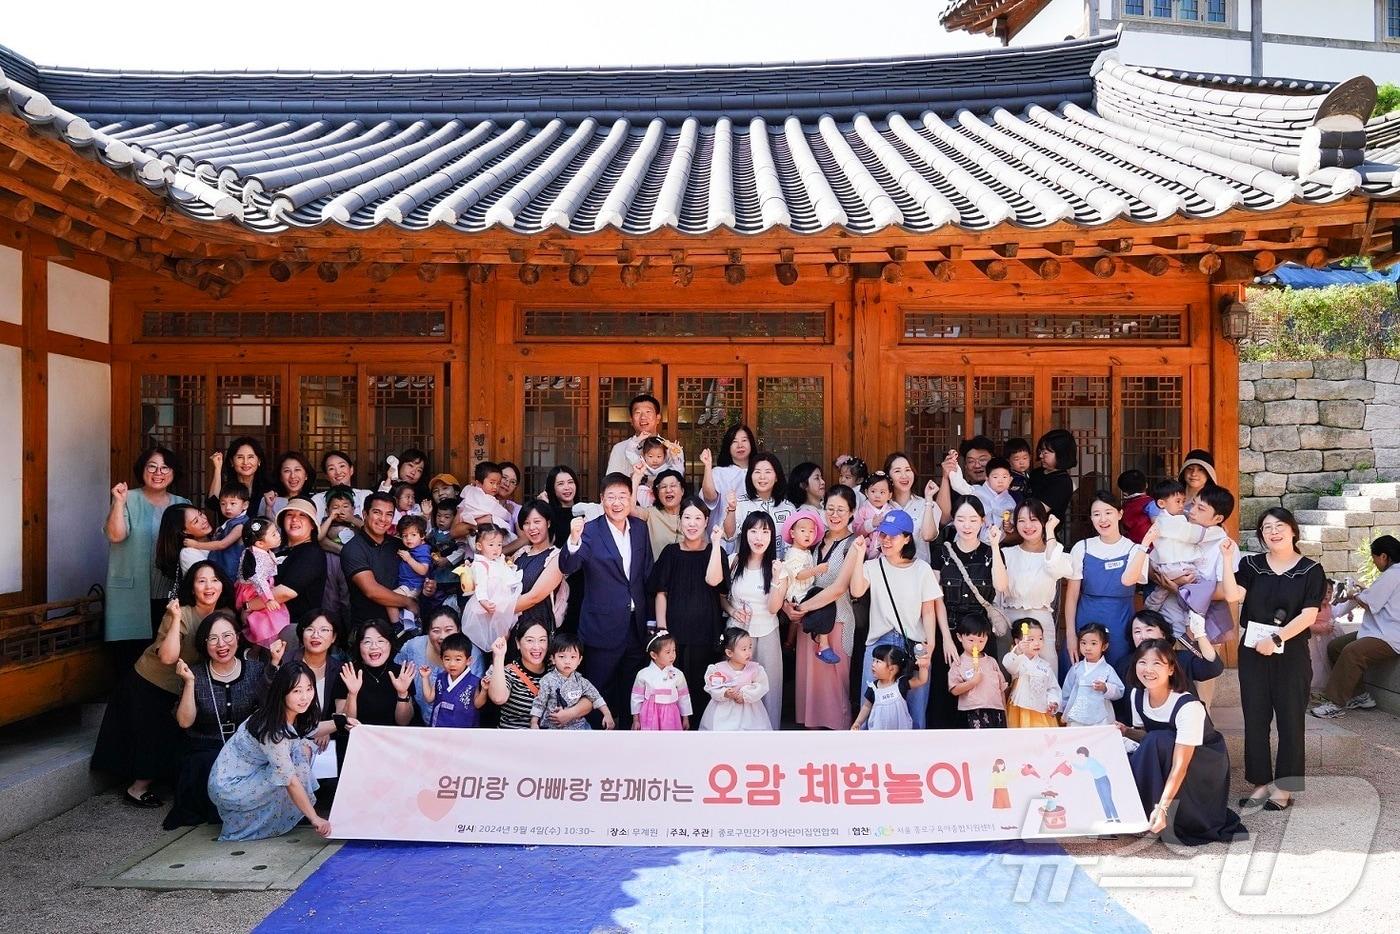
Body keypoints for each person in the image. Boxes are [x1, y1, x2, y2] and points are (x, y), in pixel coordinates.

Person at [92, 561, 234, 808]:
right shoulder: (182, 613)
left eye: (214, 580)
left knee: (176, 736)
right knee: (152, 738)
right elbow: (168, 657)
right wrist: (176, 617)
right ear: (192, 588)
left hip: (184, 687)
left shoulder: (225, 615)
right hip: (150, 683)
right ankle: (137, 789)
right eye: (201, 581)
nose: (209, 586)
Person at [1221, 508, 1324, 812]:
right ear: (1261, 535)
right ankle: (1260, 783)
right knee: (1255, 719)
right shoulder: (1251, 565)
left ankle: (1285, 788)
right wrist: (1227, 561)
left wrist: (1277, 639)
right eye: (1266, 528)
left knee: (1291, 720)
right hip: (1253, 650)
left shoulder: (1311, 569)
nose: (1273, 532)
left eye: (1279, 526)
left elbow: (1309, 615)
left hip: (1291, 653)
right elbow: (1231, 595)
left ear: (1293, 530)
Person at [1122, 639, 1246, 846]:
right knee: (1132, 749)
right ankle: (1138, 812)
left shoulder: (1188, 706)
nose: (1148, 669)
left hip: (1202, 762)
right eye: (1142, 662)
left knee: (1157, 739)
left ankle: (1160, 813)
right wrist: (1126, 732)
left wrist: (1163, 809)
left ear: (1171, 669)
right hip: (1170, 750)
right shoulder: (1137, 695)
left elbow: (1179, 765)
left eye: (1157, 664)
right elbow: (1151, 741)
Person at [208, 661, 349, 841]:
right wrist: (315, 818)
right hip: (232, 787)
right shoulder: (272, 730)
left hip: (245, 776)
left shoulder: (282, 713)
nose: (305, 697)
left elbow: (310, 729)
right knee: (297, 763)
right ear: (282, 692)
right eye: (297, 691)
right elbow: (289, 779)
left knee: (300, 752)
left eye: (309, 688)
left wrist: (342, 723)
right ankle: (253, 824)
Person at [165, 609, 278, 829]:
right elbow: (185, 723)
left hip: (245, 746)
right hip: (206, 746)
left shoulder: (256, 670)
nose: (221, 644)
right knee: (207, 761)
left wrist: (274, 664)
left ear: (237, 637)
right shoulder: (195, 673)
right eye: (213, 638)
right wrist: (189, 683)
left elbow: (270, 710)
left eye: (227, 636)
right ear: (204, 643)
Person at [561, 472, 654, 729]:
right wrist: (573, 540)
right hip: (601, 629)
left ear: (631, 498)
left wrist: (651, 622)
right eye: (611, 497)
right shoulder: (590, 531)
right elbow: (568, 565)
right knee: (598, 694)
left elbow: (646, 575)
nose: (617, 502)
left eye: (623, 496)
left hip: (635, 629)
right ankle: (595, 753)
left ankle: (626, 751)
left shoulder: (640, 529)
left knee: (631, 696)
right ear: (602, 499)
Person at [851, 509, 953, 730]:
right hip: (879, 643)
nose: (886, 540)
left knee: (914, 710)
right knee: (871, 706)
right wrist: (859, 556)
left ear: (907, 538)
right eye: (883, 535)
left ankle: (912, 761)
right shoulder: (873, 565)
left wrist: (931, 645)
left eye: (893, 536)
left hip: (913, 643)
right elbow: (857, 590)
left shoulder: (922, 569)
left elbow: (928, 610)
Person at [788, 485, 862, 731]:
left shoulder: (855, 543)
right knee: (811, 686)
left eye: (841, 509)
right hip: (808, 624)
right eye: (830, 508)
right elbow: (794, 577)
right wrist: (791, 608)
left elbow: (840, 588)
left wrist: (803, 607)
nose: (835, 514)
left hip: (837, 622)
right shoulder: (813, 540)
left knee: (834, 686)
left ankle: (838, 747)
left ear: (852, 512)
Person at [649, 498, 729, 722]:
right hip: (675, 636)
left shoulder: (716, 552)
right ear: (680, 520)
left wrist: (714, 545)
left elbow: (715, 582)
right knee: (675, 690)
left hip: (707, 633)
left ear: (706, 522)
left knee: (703, 689)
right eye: (687, 517)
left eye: (698, 518)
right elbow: (661, 592)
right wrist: (662, 630)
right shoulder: (670, 553)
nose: (692, 523)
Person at [105, 446, 190, 652]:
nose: (158, 473)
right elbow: (116, 536)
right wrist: (118, 502)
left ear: (173, 472)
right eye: (152, 467)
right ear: (141, 470)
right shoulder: (128, 499)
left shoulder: (183, 504)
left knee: (164, 655)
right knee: (128, 656)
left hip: (170, 592)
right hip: (130, 592)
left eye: (164, 468)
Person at [1312, 535, 1400, 718]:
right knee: (1335, 647)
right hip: (1380, 630)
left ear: (1384, 556)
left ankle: (1335, 703)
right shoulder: (1393, 574)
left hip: (1390, 635)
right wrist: (1362, 592)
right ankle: (1359, 695)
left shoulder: (1393, 573)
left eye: (1374, 557)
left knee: (1352, 652)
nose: (1374, 562)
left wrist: (1354, 595)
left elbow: (1371, 603)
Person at [929, 496, 996, 727]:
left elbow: (1002, 586)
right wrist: (946, 639)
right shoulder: (942, 553)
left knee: (982, 692)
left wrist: (996, 547)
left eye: (973, 519)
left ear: (982, 521)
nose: (967, 525)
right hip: (950, 631)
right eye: (961, 519)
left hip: (981, 636)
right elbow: (936, 597)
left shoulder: (990, 553)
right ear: (953, 522)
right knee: (946, 693)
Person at [1065, 492, 1146, 673]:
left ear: (1120, 514)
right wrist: (1071, 633)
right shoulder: (1082, 547)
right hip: (1086, 618)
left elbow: (1133, 579)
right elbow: (1071, 596)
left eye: (1108, 512)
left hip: (1121, 620)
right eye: (1096, 514)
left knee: (1119, 671)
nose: (1103, 519)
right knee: (1079, 672)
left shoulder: (1135, 549)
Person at [724, 511, 791, 729]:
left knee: (768, 690)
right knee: (736, 687)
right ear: (745, 534)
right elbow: (721, 597)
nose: (758, 537)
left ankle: (768, 738)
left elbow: (773, 608)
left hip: (767, 634)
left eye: (765, 531)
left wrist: (776, 579)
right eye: (753, 531)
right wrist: (733, 611)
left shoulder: (778, 568)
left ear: (772, 536)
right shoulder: (733, 562)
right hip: (737, 634)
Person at [991, 499, 1070, 677]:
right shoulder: (1007, 553)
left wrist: (1050, 532)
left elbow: (1055, 568)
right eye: (1021, 520)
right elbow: (999, 588)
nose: (1028, 526)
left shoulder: (1056, 553)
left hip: (1041, 620)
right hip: (1010, 621)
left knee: (1046, 676)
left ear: (1044, 521)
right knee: (1010, 678)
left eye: (1034, 519)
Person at [1141, 480, 1225, 636]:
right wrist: (1217, 532)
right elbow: (1190, 534)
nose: (1184, 507)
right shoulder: (1166, 520)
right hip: (1172, 566)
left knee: (1169, 589)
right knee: (1194, 582)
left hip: (1170, 566)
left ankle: (1155, 607)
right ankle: (1181, 617)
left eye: (1183, 501)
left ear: (1218, 517)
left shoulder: (1175, 518)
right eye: (1178, 501)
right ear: (1161, 503)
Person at [1114, 610, 1223, 721]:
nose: (1143, 636)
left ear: (1163, 634)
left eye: (1149, 630)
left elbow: (1213, 668)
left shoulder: (1181, 659)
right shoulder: (1124, 664)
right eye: (1137, 632)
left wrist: (1200, 634)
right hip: (1143, 730)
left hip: (1184, 725)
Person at [339, 492, 416, 626]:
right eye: (377, 512)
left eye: (389, 514)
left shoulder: (398, 544)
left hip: (405, 625)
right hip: (369, 630)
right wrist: (408, 602)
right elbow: (372, 591)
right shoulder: (353, 548)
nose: (383, 519)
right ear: (364, 514)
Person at [460, 523, 523, 667]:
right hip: (490, 603)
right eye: (491, 545)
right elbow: (480, 585)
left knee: (503, 634)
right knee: (495, 635)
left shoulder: (497, 560)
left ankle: (499, 662)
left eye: (499, 544)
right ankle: (494, 664)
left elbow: (504, 574)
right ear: (480, 546)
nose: (496, 549)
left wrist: (509, 566)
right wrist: (483, 601)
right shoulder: (480, 564)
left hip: (501, 601)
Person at [334, 620, 416, 727]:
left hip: (392, 738)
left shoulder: (401, 674)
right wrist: (352, 694)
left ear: (390, 644)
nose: (374, 646)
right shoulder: (348, 673)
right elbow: (344, 724)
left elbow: (404, 722)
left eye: (380, 641)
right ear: (359, 646)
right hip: (357, 738)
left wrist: (402, 693)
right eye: (367, 642)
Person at [781, 508, 835, 663]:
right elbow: (798, 574)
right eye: (803, 530)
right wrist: (816, 570)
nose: (807, 534)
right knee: (824, 599)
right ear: (792, 533)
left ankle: (791, 642)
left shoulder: (805, 551)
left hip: (804, 592)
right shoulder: (793, 553)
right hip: (799, 594)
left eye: (812, 531)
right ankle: (822, 641)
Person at [484, 620, 560, 730]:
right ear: (518, 643)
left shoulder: (556, 669)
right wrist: (499, 656)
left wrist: (570, 713)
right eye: (530, 640)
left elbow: (587, 695)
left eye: (542, 640)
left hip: (546, 741)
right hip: (514, 741)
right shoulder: (510, 672)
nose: (537, 647)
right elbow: (498, 698)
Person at [530, 633, 613, 730]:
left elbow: (596, 697)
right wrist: (534, 722)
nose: (567, 661)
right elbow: (540, 703)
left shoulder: (581, 681)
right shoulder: (547, 680)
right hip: (553, 729)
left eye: (573, 657)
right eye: (562, 656)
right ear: (553, 659)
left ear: (579, 660)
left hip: (579, 727)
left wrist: (607, 714)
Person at [395, 606, 462, 725]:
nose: (443, 636)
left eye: (449, 630)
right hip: (421, 724)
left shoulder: (471, 652)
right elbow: (396, 668)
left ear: (458, 630)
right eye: (436, 631)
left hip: (458, 727)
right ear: (428, 632)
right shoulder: (414, 647)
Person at [511, 501, 569, 635]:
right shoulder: (521, 553)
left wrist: (498, 609)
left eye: (537, 521)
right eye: (526, 523)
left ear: (548, 523)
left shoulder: (556, 557)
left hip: (539, 628)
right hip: (513, 627)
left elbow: (534, 597)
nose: (531, 527)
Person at [723, 453, 796, 558]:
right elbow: (729, 535)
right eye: (757, 472)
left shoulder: (788, 508)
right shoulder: (740, 504)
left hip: (779, 570)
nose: (762, 477)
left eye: (768, 472)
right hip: (747, 569)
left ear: (776, 477)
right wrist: (731, 509)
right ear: (750, 476)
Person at [699, 627, 772, 731]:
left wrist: (746, 695)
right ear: (729, 653)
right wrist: (724, 692)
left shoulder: (756, 669)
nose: (748, 652)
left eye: (750, 647)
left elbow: (762, 686)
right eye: (744, 649)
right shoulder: (717, 670)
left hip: (750, 713)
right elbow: (712, 687)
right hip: (723, 712)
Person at [947, 614, 1008, 729]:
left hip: (996, 710)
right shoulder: (958, 662)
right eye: (971, 640)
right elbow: (954, 690)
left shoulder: (991, 661)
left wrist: (1005, 713)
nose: (976, 645)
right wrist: (972, 683)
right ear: (960, 637)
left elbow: (1001, 689)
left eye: (981, 641)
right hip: (973, 710)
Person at [851, 644, 931, 731]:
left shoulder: (900, 684)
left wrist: (923, 667)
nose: (873, 664)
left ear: (892, 668)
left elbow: (921, 680)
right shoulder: (873, 688)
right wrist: (858, 722)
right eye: (873, 660)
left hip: (901, 733)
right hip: (878, 733)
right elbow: (866, 706)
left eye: (878, 661)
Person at [235, 517, 288, 648]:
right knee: (265, 620)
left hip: (260, 586)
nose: (278, 536)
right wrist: (268, 599)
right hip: (252, 591)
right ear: (260, 543)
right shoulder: (256, 557)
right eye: (274, 534)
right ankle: (259, 647)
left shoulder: (256, 550)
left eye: (277, 531)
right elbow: (259, 579)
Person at [700, 425, 759, 536]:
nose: (740, 445)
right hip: (722, 536)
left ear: (751, 443)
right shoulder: (719, 472)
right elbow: (709, 497)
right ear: (728, 446)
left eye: (744, 440)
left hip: (755, 535)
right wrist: (707, 467)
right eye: (734, 441)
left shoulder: (759, 472)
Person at [183, 483, 249, 581]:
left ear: (245, 505)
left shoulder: (240, 525)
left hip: (232, 571)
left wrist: (196, 545)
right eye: (223, 503)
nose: (227, 507)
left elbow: (223, 544)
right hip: (224, 569)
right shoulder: (229, 522)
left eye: (233, 503)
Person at [1062, 623, 1124, 728]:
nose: (1088, 648)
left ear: (1104, 646)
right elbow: (1066, 691)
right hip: (1077, 713)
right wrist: (1064, 709)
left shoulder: (1107, 669)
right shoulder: (1076, 669)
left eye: (1093, 643)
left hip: (1100, 716)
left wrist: (1105, 688)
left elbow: (1119, 691)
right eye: (1083, 643)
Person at [883, 452, 941, 565]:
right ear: (888, 476)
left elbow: (928, 535)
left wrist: (928, 498)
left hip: (918, 571)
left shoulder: (927, 504)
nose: (904, 476)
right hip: (887, 570)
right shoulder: (882, 506)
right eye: (897, 471)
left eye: (908, 470)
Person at [606, 393, 683, 477]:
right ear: (631, 420)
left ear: (658, 418)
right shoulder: (620, 449)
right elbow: (611, 483)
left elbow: (678, 482)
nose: (643, 417)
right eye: (638, 412)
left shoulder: (672, 449)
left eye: (648, 412)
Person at [947, 457, 1018, 544]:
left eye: (1004, 477)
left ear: (1010, 479)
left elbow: (1012, 523)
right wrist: (954, 465)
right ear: (987, 478)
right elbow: (958, 485)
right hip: (968, 539)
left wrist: (1009, 526)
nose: (1000, 481)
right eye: (995, 477)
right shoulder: (976, 491)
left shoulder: (1010, 502)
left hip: (994, 544)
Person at [1003, 619, 1060, 728]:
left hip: (1041, 711)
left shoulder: (1045, 665)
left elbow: (1052, 688)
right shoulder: (1017, 660)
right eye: (1031, 639)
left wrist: (1053, 701)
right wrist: (1018, 651)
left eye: (1040, 638)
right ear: (1017, 642)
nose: (1037, 643)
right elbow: (1009, 666)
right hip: (1020, 710)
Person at [419, 633, 482, 728]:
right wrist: (425, 678)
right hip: (439, 728)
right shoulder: (440, 678)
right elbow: (429, 698)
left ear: (468, 660)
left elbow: (478, 704)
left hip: (464, 730)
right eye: (447, 659)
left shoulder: (474, 681)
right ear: (442, 659)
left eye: (458, 659)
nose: (452, 664)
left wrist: (484, 690)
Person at [933, 435, 995, 529]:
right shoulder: (958, 488)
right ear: (965, 466)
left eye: (982, 460)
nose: (977, 465)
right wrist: (945, 477)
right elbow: (942, 520)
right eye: (971, 461)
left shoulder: (1002, 489)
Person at [1029, 429, 1078, 541]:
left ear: (1061, 454)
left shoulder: (1063, 482)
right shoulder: (1036, 473)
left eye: (1046, 452)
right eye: (1041, 451)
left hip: (1043, 537)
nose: (1041, 456)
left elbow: (1037, 510)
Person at [630, 464, 687, 559]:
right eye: (663, 487)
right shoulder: (651, 514)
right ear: (657, 493)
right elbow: (631, 510)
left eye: (673, 485)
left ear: (682, 491)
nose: (668, 490)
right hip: (658, 572)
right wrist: (636, 478)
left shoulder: (691, 515)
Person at [208, 437, 272, 517]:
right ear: (231, 461)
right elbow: (212, 504)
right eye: (240, 457)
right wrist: (218, 468)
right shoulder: (227, 487)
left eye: (250, 457)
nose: (245, 462)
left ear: (259, 461)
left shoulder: (268, 488)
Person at [156, 503, 215, 586]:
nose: (203, 520)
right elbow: (215, 578)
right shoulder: (188, 553)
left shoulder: (216, 537)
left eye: (201, 514)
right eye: (196, 521)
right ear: (184, 531)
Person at [392, 515, 431, 632]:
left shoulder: (422, 550)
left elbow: (423, 570)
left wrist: (409, 559)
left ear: (422, 536)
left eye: (413, 535)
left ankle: (396, 626)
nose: (408, 539)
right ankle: (412, 624)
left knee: (389, 598)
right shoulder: (413, 548)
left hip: (412, 586)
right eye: (404, 536)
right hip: (406, 585)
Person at [313, 451, 372, 518]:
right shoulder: (318, 499)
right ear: (326, 476)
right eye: (331, 468)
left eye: (342, 466)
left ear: (351, 470)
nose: (338, 472)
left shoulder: (365, 495)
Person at [632, 436, 685, 507]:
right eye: (650, 456)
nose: (655, 460)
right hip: (641, 501)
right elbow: (629, 452)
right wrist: (637, 440)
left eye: (659, 456)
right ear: (644, 455)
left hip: (662, 504)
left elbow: (678, 472)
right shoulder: (640, 466)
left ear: (665, 456)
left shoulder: (667, 469)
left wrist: (675, 457)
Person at [852, 471, 895, 558]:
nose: (877, 495)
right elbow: (856, 530)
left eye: (882, 492)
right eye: (873, 491)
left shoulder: (892, 511)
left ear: (889, 495)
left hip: (886, 552)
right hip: (866, 552)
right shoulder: (863, 510)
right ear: (867, 492)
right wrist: (870, 524)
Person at [264, 451, 316, 520]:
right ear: (280, 477)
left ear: (306, 475)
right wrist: (268, 508)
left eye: (297, 470)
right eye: (287, 471)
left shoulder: (315, 501)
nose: (293, 476)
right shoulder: (269, 500)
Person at [1117, 469, 1152, 544]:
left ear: (1124, 492)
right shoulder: (1154, 503)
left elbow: (1124, 527)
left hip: (1131, 545)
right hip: (1153, 545)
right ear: (1146, 485)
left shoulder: (1125, 507)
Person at [1178, 450, 1218, 514]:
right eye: (1189, 469)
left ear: (1209, 474)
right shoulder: (1171, 494)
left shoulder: (1214, 501)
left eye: (1200, 469)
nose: (1194, 474)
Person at [496, 462, 523, 530]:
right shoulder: (480, 501)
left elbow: (524, 538)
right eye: (504, 477)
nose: (507, 484)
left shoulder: (516, 509)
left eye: (513, 482)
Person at [1003, 439, 1032, 503]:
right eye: (1016, 459)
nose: (1021, 462)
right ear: (1008, 461)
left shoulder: (1025, 474)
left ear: (1030, 457)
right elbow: (1016, 496)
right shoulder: (1013, 478)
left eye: (1025, 458)